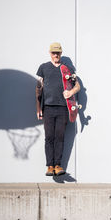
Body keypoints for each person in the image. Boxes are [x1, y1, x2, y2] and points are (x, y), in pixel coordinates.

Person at [36, 42, 80, 176]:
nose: (56, 55)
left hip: (63, 108)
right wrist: (38, 108)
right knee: (49, 137)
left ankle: (58, 165)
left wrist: (71, 92)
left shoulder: (67, 69)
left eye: (58, 52)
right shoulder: (43, 67)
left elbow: (77, 85)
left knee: (60, 137)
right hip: (48, 108)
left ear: (61, 53)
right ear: (50, 53)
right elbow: (38, 88)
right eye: (53, 52)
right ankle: (49, 166)